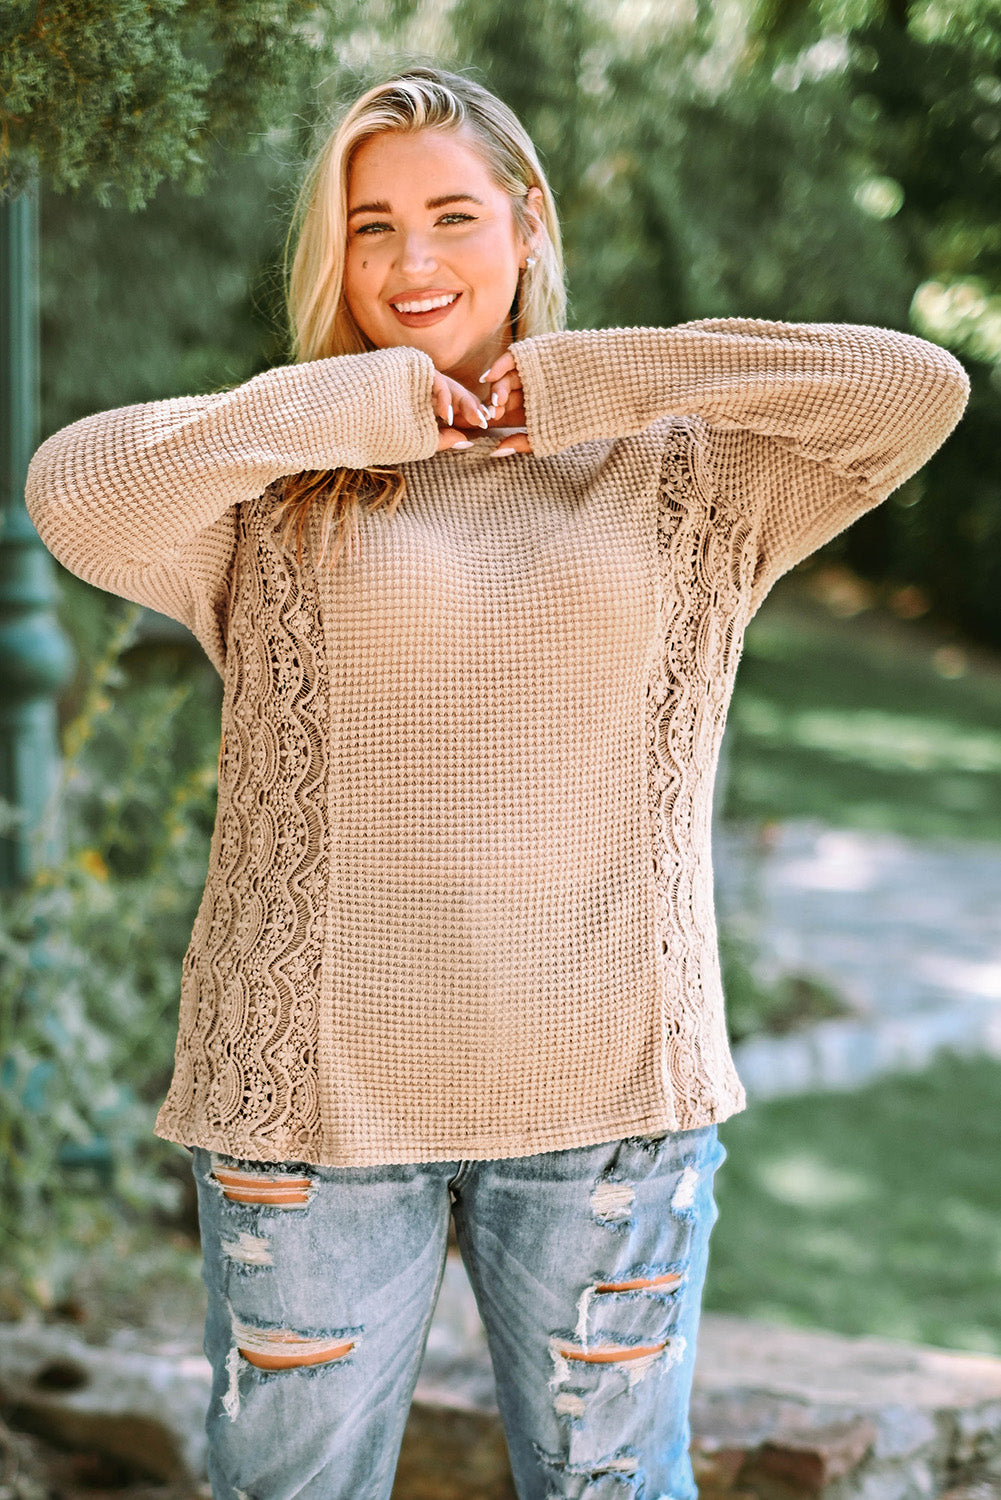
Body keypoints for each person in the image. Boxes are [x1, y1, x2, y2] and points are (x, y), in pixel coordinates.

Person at [26, 64, 968, 1500]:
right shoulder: (276, 484)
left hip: (609, 1099)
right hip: (310, 1114)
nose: (412, 263)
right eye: (371, 227)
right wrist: (355, 406)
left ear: (526, 224)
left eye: (452, 216)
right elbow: (74, 489)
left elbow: (913, 387)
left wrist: (598, 376)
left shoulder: (690, 474)